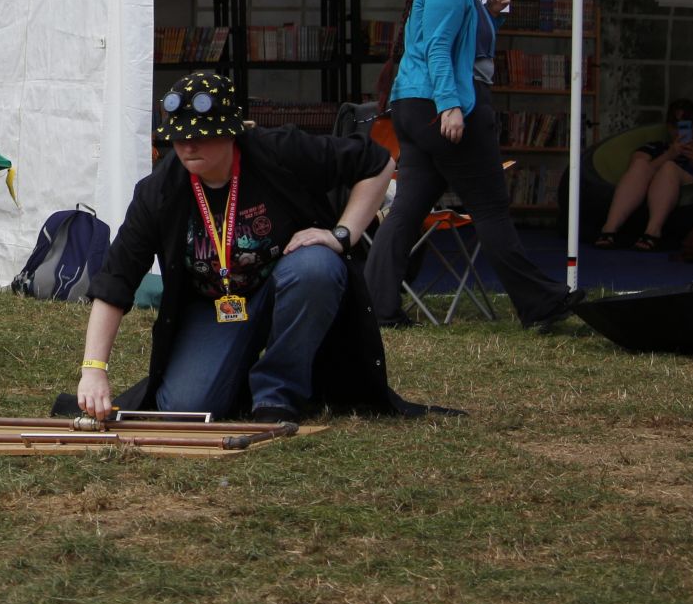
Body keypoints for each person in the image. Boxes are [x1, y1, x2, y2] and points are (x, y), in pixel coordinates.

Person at [74, 71, 431, 425]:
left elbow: (378, 162)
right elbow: (117, 279)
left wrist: (342, 234)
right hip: (215, 305)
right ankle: (240, 379)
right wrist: (93, 369)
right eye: (178, 137)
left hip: (286, 285)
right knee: (186, 407)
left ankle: (277, 394)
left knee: (316, 267)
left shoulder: (278, 151)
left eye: (201, 136)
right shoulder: (159, 191)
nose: (188, 146)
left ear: (231, 132)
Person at [364, 0, 586, 331]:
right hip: (441, 106)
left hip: (413, 106)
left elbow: (449, 43)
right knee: (490, 208)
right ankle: (541, 304)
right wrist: (450, 106)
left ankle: (376, 305)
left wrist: (489, 16)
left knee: (408, 208)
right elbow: (438, 50)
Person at [592, 99, 693, 250]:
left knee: (669, 168)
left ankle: (652, 231)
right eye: (675, 125)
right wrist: (669, 154)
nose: (679, 131)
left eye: (685, 125)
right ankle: (609, 229)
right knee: (642, 164)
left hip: (692, 185)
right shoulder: (655, 147)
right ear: (668, 127)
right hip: (652, 186)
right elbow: (634, 171)